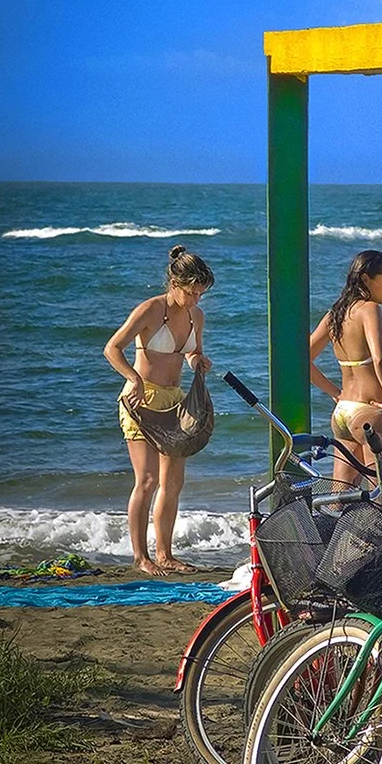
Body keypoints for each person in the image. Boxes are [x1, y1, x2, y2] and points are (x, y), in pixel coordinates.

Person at [103, 245, 214, 576]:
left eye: (200, 294)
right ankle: (141, 557)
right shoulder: (150, 310)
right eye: (192, 292)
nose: (195, 299)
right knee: (148, 479)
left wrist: (198, 361)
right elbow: (112, 348)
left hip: (174, 401)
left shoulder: (197, 316)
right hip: (141, 401)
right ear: (175, 282)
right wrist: (133, 377)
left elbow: (192, 352)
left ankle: (165, 554)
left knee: (173, 482)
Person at [310, 251, 382, 486]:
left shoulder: (335, 315)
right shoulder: (369, 309)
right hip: (371, 413)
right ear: (366, 279)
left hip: (343, 412)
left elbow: (302, 359)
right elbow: (379, 359)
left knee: (339, 497)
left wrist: (334, 393)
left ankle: (332, 525)